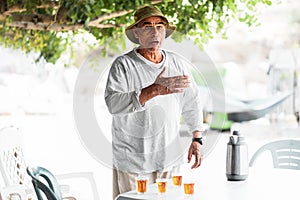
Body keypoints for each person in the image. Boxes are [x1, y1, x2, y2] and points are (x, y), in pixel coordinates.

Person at [104, 5, 205, 199]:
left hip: (169, 159)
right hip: (132, 161)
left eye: (160, 26)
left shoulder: (177, 63)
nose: (155, 32)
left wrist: (197, 138)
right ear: (137, 32)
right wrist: (154, 89)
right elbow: (113, 104)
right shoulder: (123, 65)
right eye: (148, 26)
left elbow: (192, 101)